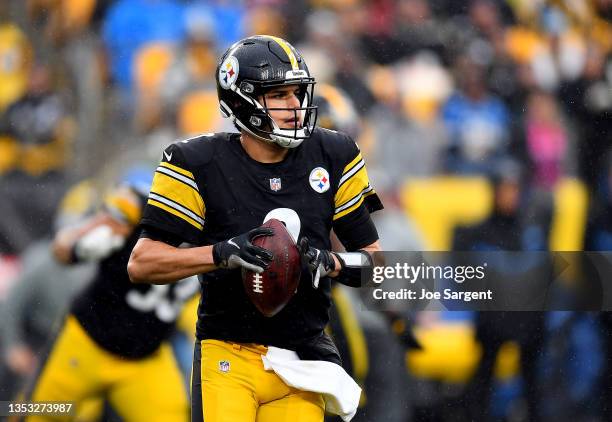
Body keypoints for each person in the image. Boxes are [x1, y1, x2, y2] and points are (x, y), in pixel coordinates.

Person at [128, 35, 383, 422]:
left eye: (298, 93)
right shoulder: (195, 161)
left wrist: (330, 262)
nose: (295, 105)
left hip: (302, 357)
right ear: (240, 100)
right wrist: (221, 253)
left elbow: (376, 264)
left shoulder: (335, 153)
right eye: (278, 94)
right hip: (229, 352)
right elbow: (142, 263)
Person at [23, 168, 199, 422]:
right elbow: (62, 249)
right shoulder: (134, 202)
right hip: (87, 343)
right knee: (39, 415)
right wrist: (79, 246)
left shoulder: (221, 219)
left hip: (145, 358)